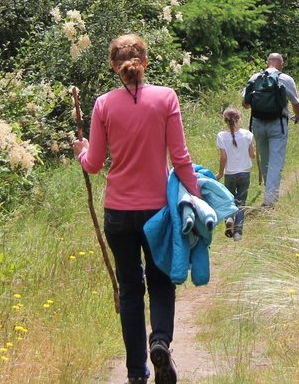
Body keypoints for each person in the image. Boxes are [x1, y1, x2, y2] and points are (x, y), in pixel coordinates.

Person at [73, 34, 200, 384]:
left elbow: (94, 164)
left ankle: (135, 373)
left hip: (118, 214)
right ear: (145, 62)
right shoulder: (166, 98)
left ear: (115, 68)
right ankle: (160, 340)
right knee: (160, 283)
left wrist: (81, 150)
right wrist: (197, 194)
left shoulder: (103, 105)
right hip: (157, 212)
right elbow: (180, 157)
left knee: (130, 289)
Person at [242, 52, 299, 207]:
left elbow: (245, 104)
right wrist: (297, 116)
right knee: (276, 161)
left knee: (265, 160)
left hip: (258, 124)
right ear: (281, 63)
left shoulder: (255, 78)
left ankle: (269, 193)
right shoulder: (286, 79)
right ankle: (269, 201)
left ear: (267, 62)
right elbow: (295, 103)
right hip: (277, 125)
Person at [215, 107, 255, 241]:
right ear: (239, 119)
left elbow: (224, 157)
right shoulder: (248, 134)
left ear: (225, 121)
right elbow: (252, 154)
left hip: (230, 174)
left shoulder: (221, 136)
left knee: (229, 200)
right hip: (244, 173)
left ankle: (229, 218)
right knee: (241, 202)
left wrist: (220, 173)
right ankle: (238, 232)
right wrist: (254, 153)